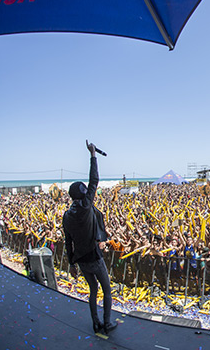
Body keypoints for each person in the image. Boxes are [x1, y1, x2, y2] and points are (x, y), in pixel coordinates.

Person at [62, 140, 118, 335]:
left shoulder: (66, 215)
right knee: (107, 290)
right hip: (94, 257)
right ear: (83, 194)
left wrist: (71, 263)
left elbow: (68, 241)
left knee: (93, 291)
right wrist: (93, 155)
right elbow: (94, 180)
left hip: (81, 260)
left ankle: (95, 323)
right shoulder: (86, 208)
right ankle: (108, 323)